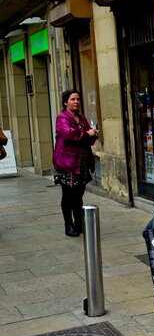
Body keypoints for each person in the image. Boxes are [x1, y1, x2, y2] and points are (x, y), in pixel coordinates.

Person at [52, 89, 98, 237]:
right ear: (66, 102)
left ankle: (79, 222)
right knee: (68, 195)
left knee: (78, 194)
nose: (76, 102)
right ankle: (68, 225)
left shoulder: (82, 118)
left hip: (82, 163)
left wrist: (89, 134)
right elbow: (70, 135)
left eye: (78, 99)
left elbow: (91, 137)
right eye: (73, 99)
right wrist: (87, 134)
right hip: (67, 163)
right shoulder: (62, 118)